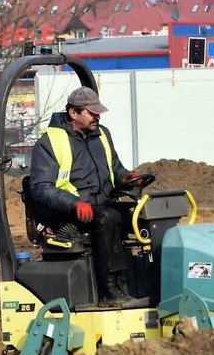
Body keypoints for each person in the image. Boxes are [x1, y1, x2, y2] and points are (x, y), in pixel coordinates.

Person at [29, 86, 140, 304]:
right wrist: (74, 202)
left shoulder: (102, 135)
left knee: (144, 213)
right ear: (73, 113)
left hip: (101, 206)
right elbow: (41, 187)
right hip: (67, 213)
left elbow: (114, 168)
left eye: (98, 112)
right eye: (92, 112)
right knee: (108, 218)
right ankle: (110, 289)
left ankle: (147, 279)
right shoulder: (50, 141)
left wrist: (125, 177)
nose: (97, 117)